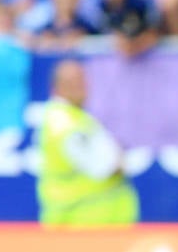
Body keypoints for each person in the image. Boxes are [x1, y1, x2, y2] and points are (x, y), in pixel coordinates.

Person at [34, 59, 140, 227]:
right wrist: (117, 162)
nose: (80, 86)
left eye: (81, 79)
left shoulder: (75, 115)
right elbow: (102, 167)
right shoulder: (64, 123)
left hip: (94, 219)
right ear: (56, 88)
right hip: (83, 220)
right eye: (71, 82)